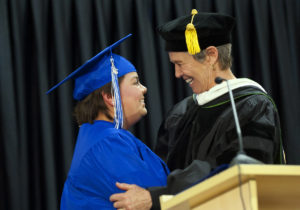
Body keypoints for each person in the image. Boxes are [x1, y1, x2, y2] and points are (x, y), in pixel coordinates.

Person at [110, 10, 284, 210]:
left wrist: (157, 197)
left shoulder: (252, 106)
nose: (176, 74)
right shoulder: (180, 113)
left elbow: (237, 173)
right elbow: (161, 174)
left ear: (211, 55)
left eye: (180, 64)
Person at [46, 34, 169, 209]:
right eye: (136, 83)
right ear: (111, 96)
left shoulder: (96, 138)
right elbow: (163, 198)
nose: (144, 89)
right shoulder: (108, 143)